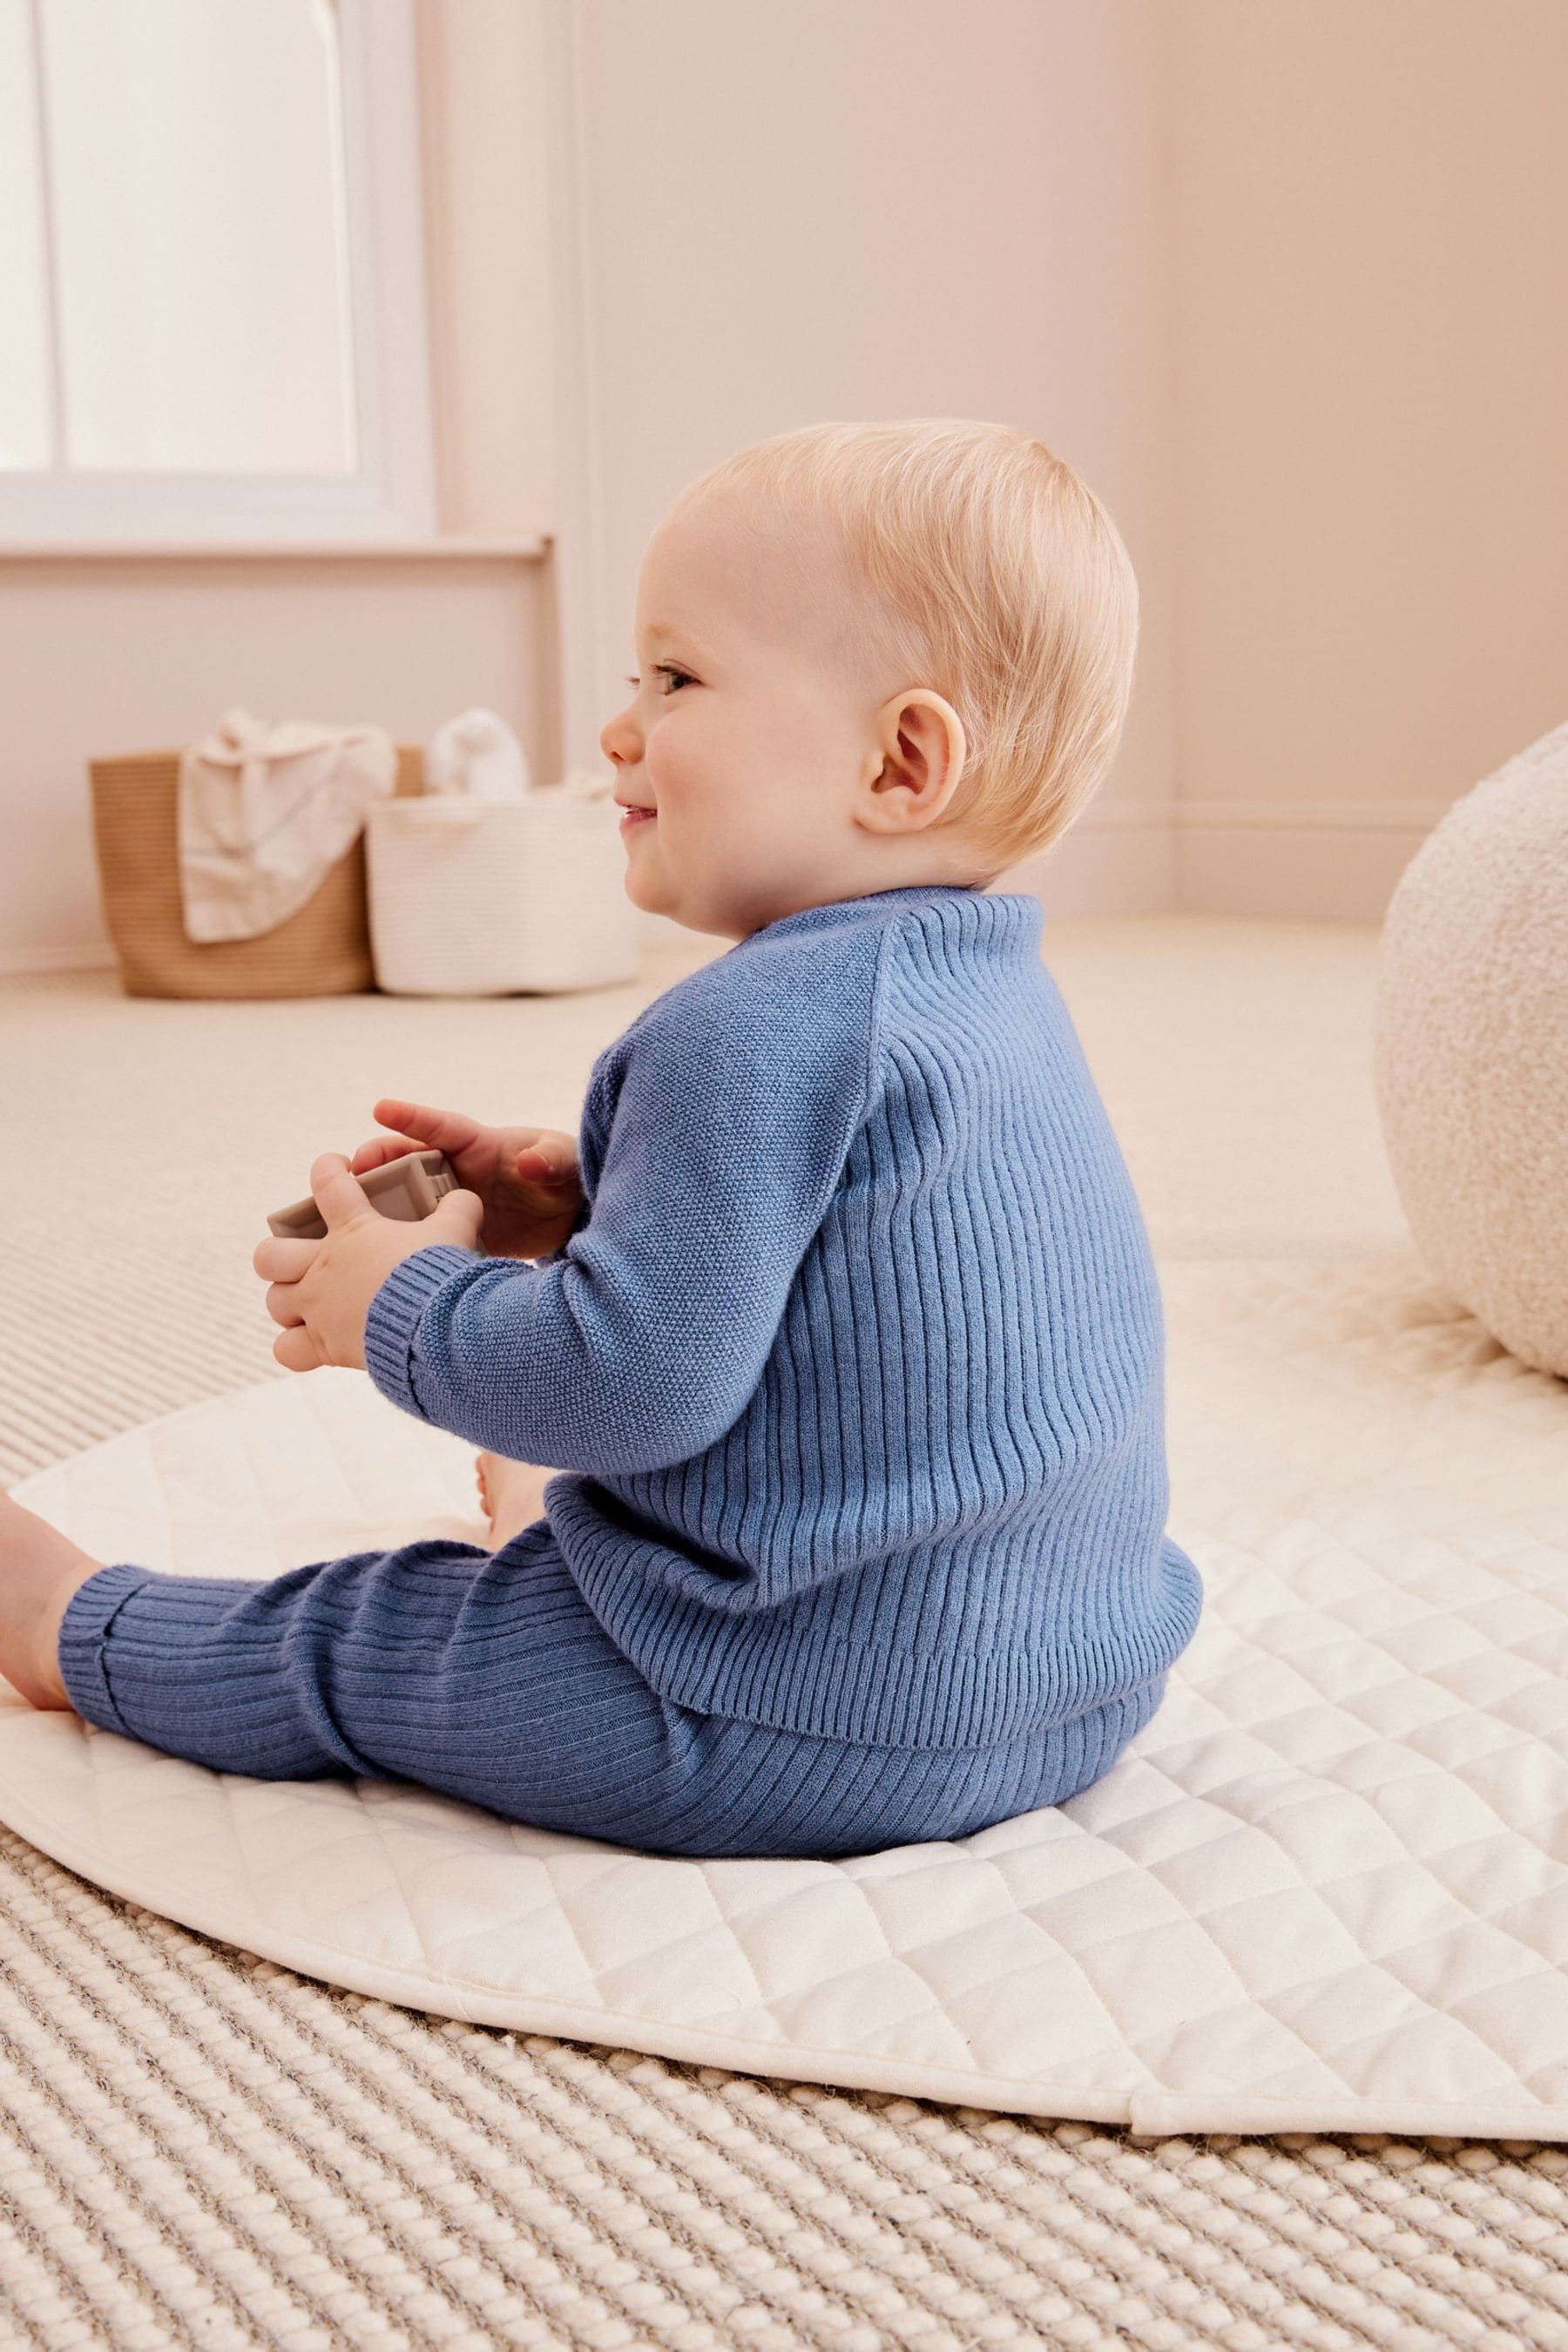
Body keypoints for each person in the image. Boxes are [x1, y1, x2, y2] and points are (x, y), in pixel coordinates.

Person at [0, 419, 1202, 1860]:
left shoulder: (739, 1025)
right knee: (567, 1520)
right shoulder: (996, 993)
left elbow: (637, 1392)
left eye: (677, 678)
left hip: (770, 1724)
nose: (618, 727)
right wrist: (587, 1218)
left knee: (378, 1637)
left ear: (901, 760)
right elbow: (863, 1301)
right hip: (1074, 1684)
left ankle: (66, 1628)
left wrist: (408, 1302)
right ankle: (567, 1543)